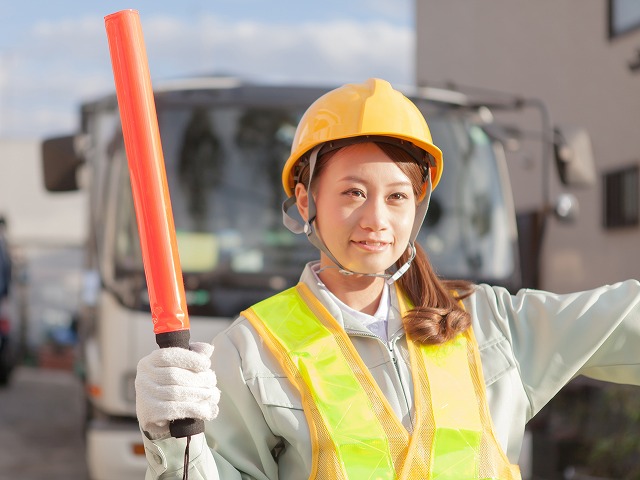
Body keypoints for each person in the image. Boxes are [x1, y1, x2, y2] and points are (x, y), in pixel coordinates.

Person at [135, 78, 640, 480]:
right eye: (353, 192)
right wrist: (173, 442)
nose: (378, 219)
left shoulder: (488, 323)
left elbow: (623, 321)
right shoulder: (253, 351)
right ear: (307, 201)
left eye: (397, 196)